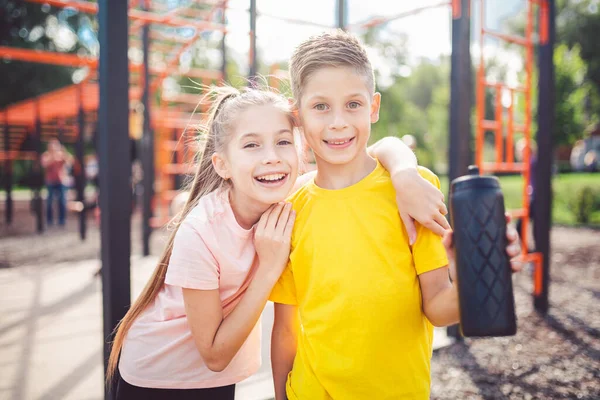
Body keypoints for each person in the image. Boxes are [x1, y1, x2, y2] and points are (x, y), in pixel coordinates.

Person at [106, 85, 446, 399]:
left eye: (283, 142)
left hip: (218, 381)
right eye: (252, 145)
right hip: (159, 378)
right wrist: (268, 268)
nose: (271, 156)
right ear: (222, 164)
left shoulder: (292, 200)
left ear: (300, 151)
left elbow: (379, 148)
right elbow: (214, 354)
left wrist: (403, 171)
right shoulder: (201, 233)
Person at [269, 31, 523, 400]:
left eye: (353, 104)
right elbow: (286, 329)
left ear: (373, 106)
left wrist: (478, 272)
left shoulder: (415, 190)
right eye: (321, 106)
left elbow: (438, 308)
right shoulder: (290, 207)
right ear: (298, 114)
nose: (338, 122)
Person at [41, 138, 73, 227]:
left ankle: (62, 220)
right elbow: (44, 164)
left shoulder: (61, 154)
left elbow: (70, 162)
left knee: (62, 201)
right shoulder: (46, 155)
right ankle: (49, 220)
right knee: (49, 202)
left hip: (61, 181)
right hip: (50, 181)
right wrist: (53, 157)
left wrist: (64, 153)